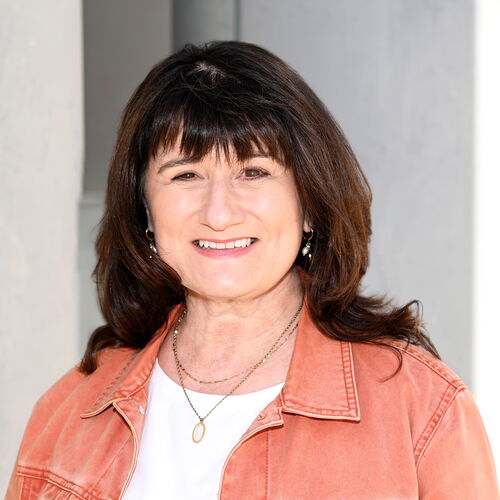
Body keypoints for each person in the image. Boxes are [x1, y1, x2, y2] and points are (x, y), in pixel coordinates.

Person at [6, 41, 498, 500]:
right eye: (186, 175)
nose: (219, 213)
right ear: (145, 211)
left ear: (309, 203)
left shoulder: (421, 409)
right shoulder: (70, 408)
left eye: (254, 171)